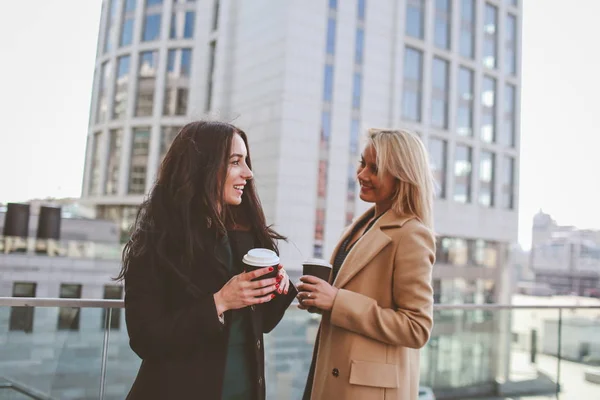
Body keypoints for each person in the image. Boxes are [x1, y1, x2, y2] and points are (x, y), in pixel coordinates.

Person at [117, 121, 297, 400]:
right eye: (236, 162)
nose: (248, 174)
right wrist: (220, 302)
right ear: (203, 167)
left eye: (246, 161)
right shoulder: (158, 241)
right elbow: (145, 338)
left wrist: (277, 289)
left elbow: (261, 326)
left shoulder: (246, 236)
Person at [297, 128, 436, 400]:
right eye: (362, 163)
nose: (361, 175)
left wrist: (337, 301)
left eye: (375, 168)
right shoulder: (362, 225)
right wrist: (318, 298)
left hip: (367, 389)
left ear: (402, 176)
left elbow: (416, 327)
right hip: (329, 371)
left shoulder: (412, 234)